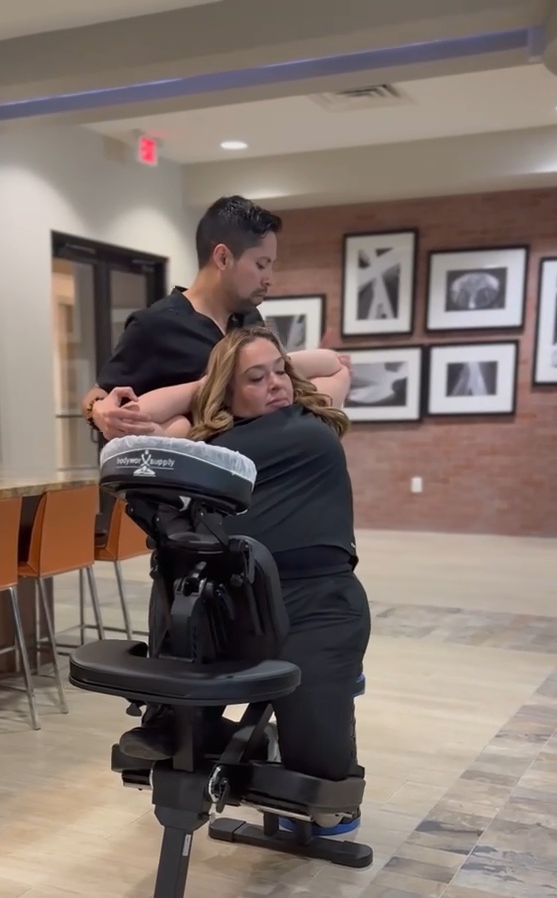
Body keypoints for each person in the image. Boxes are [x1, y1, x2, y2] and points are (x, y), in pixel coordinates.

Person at [128, 325, 369, 836]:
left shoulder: (313, 413)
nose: (277, 383)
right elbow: (139, 417)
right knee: (178, 736)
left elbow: (336, 363)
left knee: (327, 804)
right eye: (255, 379)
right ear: (227, 391)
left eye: (280, 371)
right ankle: (258, 745)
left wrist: (271, 360)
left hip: (320, 601)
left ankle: (328, 698)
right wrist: (208, 383)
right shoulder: (206, 441)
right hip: (232, 600)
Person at [82, 195, 349, 440]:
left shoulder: (250, 320)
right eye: (261, 264)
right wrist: (98, 411)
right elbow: (99, 393)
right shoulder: (155, 325)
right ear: (223, 257)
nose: (269, 279)